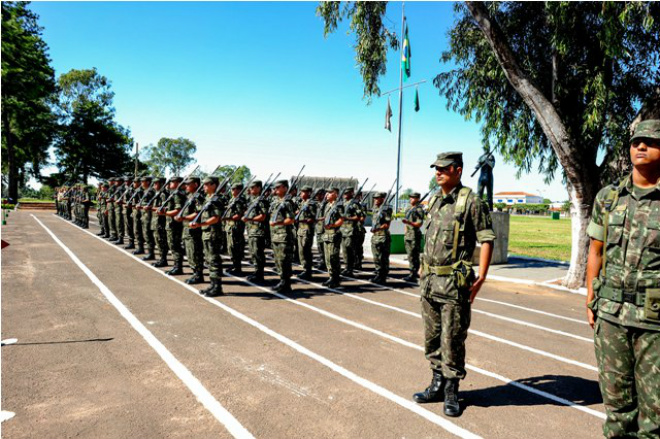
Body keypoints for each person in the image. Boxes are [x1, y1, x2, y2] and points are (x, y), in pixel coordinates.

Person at [586, 119, 660, 439]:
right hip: (612, 313)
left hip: (654, 319)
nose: (640, 147)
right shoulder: (609, 197)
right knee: (617, 408)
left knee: (655, 413)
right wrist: (590, 298)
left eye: (650, 142)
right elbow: (596, 252)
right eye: (635, 142)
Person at [412, 151, 495, 418]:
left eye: (444, 169)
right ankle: (436, 383)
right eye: (436, 168)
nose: (438, 173)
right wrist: (423, 267)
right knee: (432, 337)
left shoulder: (471, 201)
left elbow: (487, 239)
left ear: (458, 171)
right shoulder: (434, 199)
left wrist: (481, 277)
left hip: (453, 284)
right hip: (430, 281)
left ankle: (451, 390)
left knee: (453, 339)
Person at [190, 176, 224, 297]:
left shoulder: (216, 200)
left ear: (214, 185)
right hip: (206, 233)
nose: (203, 187)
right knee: (209, 260)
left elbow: (216, 218)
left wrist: (200, 224)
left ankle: (217, 287)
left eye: (206, 184)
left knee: (214, 260)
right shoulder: (208, 199)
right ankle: (213, 284)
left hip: (213, 234)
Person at [269, 180, 296, 293]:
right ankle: (282, 281)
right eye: (275, 188)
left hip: (284, 236)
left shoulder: (287, 202)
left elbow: (291, 219)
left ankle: (286, 283)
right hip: (275, 235)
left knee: (284, 260)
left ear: (285, 188)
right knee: (278, 260)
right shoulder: (275, 201)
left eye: (278, 187)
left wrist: (278, 223)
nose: (276, 190)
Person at [177, 177, 205, 284]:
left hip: (193, 230)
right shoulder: (189, 196)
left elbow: (198, 212)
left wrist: (184, 218)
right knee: (189, 251)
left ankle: (198, 275)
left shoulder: (198, 197)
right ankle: (195, 273)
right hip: (187, 228)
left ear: (196, 184)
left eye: (189, 184)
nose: (186, 186)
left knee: (194, 252)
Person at [243, 180, 268, 283]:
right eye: (250, 187)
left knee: (258, 253)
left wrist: (250, 219)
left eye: (253, 187)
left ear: (258, 188)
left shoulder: (261, 201)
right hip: (252, 231)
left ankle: (260, 274)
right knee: (253, 252)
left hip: (258, 231)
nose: (251, 189)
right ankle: (257, 272)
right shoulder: (252, 200)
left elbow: (263, 216)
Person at [162, 177, 186, 276]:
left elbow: (178, 209)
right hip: (171, 223)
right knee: (173, 245)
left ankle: (178, 267)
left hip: (174, 224)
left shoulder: (177, 194)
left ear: (178, 183)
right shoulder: (174, 193)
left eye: (172, 181)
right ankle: (176, 266)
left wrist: (165, 213)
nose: (170, 183)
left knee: (175, 246)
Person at [322, 187, 344, 288]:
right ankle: (331, 277)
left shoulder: (338, 206)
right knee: (327, 258)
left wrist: (333, 225)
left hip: (334, 234)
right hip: (326, 234)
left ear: (335, 194)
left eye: (329, 193)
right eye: (327, 193)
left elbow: (341, 219)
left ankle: (335, 278)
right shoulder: (327, 205)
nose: (327, 194)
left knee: (333, 257)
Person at [224, 182, 247, 276]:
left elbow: (239, 214)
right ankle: (234, 264)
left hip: (236, 227)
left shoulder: (239, 201)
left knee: (235, 247)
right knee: (230, 247)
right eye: (232, 189)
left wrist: (227, 218)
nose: (232, 191)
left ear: (239, 190)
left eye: (234, 189)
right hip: (230, 227)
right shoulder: (232, 199)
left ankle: (237, 267)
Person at [370, 192, 393, 285]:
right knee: (376, 257)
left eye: (377, 198)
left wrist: (377, 228)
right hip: (375, 236)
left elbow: (386, 224)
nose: (375, 200)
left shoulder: (386, 209)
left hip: (383, 236)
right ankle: (378, 274)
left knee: (383, 258)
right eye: (374, 198)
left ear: (382, 199)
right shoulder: (375, 208)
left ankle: (382, 276)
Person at [402, 192, 425, 283]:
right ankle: (413, 273)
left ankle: (414, 273)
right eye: (410, 197)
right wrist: (405, 231)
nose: (411, 199)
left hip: (415, 235)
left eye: (413, 197)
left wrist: (409, 223)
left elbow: (419, 223)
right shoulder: (408, 208)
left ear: (418, 199)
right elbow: (405, 221)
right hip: (408, 235)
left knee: (414, 255)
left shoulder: (419, 209)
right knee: (410, 255)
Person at [296, 185, 317, 280]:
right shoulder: (302, 203)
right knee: (301, 252)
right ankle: (305, 269)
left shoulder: (310, 204)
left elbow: (313, 218)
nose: (301, 194)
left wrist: (302, 220)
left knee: (305, 251)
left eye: (303, 192)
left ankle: (307, 271)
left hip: (307, 230)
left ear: (308, 193)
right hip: (300, 230)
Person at [340, 187, 361, 277]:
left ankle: (350, 269)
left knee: (349, 250)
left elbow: (358, 217)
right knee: (344, 250)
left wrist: (347, 218)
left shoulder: (354, 204)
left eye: (347, 193)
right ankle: (346, 268)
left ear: (351, 193)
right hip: (342, 230)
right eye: (344, 193)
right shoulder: (342, 203)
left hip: (351, 230)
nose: (345, 195)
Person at [150, 177, 170, 268]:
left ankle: (163, 259)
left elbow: (164, 208)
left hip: (160, 221)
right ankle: (162, 258)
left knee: (161, 241)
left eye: (156, 183)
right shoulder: (157, 193)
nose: (154, 185)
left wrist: (151, 208)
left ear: (162, 184)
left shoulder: (163, 195)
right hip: (156, 221)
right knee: (158, 240)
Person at [314, 188, 328, 270]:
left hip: (324, 229)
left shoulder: (326, 205)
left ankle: (326, 263)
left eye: (319, 195)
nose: (317, 196)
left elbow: (327, 216)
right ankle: (323, 261)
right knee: (320, 247)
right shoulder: (317, 204)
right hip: (318, 228)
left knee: (324, 247)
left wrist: (319, 219)